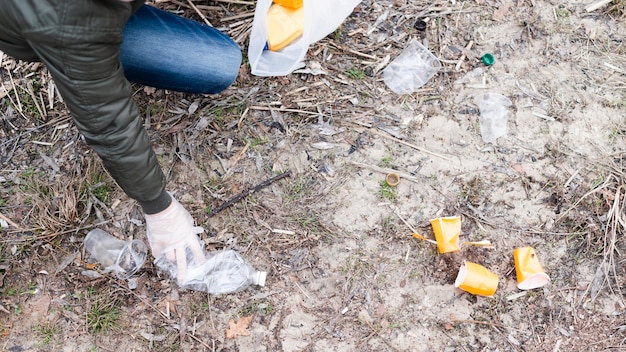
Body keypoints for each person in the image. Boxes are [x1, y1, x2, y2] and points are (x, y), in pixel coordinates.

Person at [0, 0, 242, 285]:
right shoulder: (67, 18)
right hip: (67, 26)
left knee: (222, 63)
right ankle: (73, 58)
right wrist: (160, 208)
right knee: (213, 65)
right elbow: (107, 121)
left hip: (91, 17)